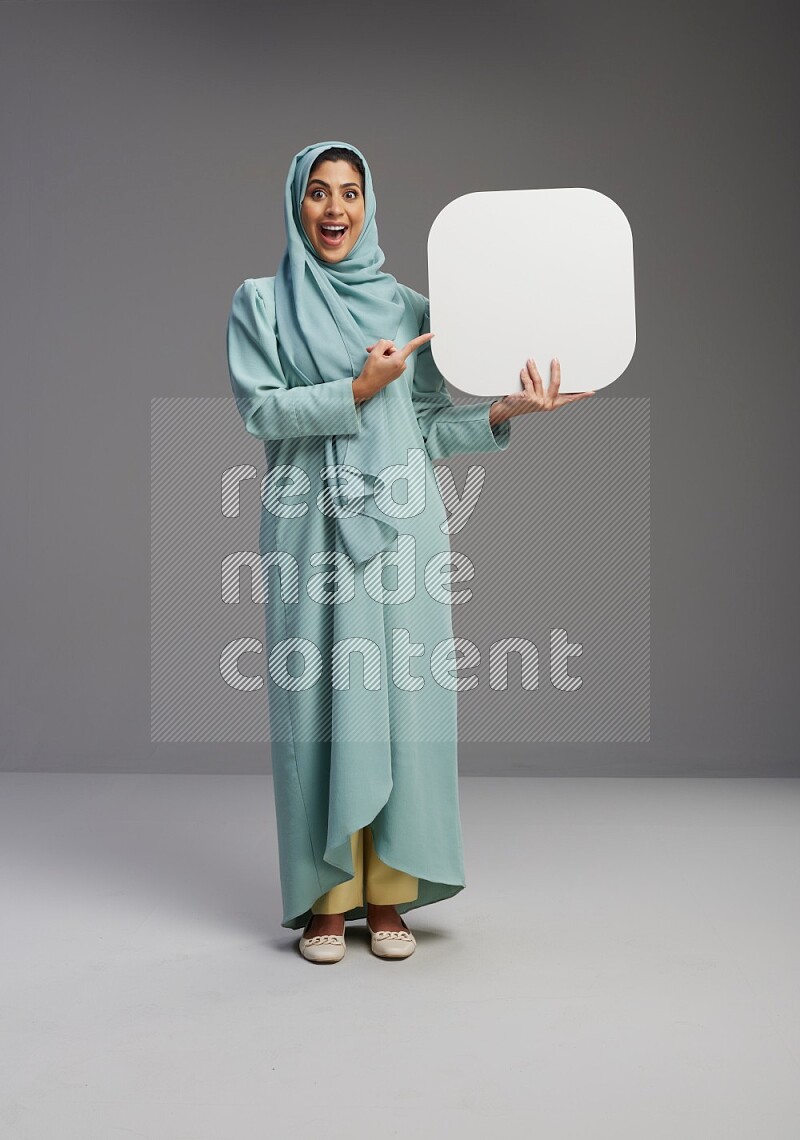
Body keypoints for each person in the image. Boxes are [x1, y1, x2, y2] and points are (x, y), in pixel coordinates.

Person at [226, 140, 594, 964]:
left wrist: (506, 411)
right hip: (310, 526)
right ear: (296, 202)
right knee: (318, 708)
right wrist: (354, 391)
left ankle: (391, 893)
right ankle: (327, 900)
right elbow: (259, 413)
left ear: (369, 203)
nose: (333, 210)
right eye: (318, 193)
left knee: (401, 706)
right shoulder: (261, 303)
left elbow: (429, 427)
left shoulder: (408, 306)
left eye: (349, 193)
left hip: (402, 526)